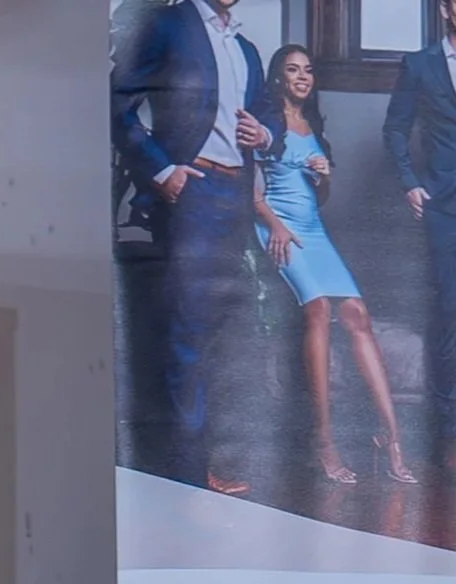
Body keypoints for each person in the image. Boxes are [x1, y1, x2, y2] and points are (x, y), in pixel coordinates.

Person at [112, 0, 283, 494]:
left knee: (222, 339)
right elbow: (115, 101)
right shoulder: (170, 23)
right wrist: (163, 170)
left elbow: (268, 116)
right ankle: (183, 480)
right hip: (192, 193)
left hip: (235, 199)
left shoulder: (246, 48)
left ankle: (202, 467)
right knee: (184, 339)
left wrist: (265, 133)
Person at [257, 45, 414, 487]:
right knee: (319, 309)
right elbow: (249, 191)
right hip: (276, 227)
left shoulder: (314, 126)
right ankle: (324, 440)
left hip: (315, 232)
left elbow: (320, 199)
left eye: (308, 70)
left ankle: (392, 437)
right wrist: (275, 228)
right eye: (292, 70)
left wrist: (323, 176)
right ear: (277, 78)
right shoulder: (264, 123)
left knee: (358, 316)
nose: (302, 77)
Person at [385, 0, 456, 471]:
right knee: (450, 311)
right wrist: (411, 182)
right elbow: (394, 129)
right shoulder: (420, 64)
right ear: (447, 8)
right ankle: (448, 432)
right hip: (444, 206)